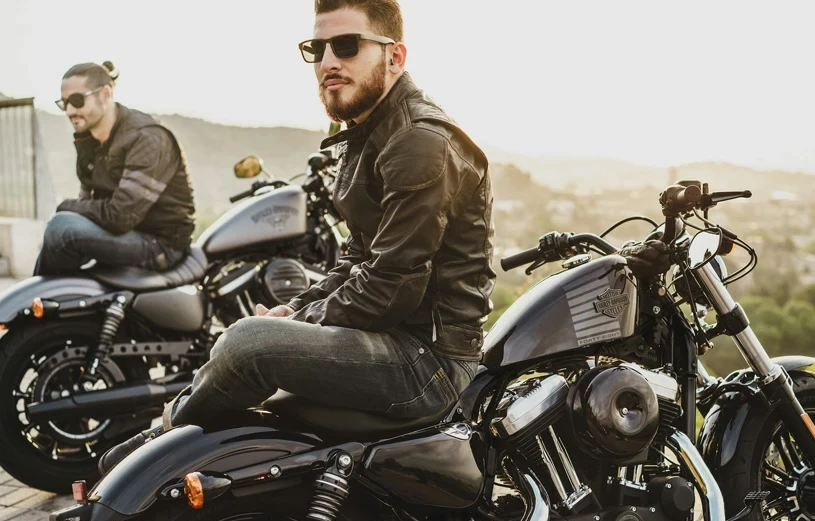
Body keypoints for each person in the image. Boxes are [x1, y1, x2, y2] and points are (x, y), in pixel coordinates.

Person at [99, 0, 496, 472]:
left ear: (395, 57)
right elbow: (357, 259)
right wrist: (299, 309)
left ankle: (158, 447)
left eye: (347, 46)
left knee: (248, 346)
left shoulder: (418, 141)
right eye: (317, 48)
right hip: (395, 343)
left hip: (428, 363)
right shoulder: (370, 131)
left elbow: (393, 284)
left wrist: (302, 320)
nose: (329, 62)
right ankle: (172, 445)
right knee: (251, 336)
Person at [34, 61, 195, 276]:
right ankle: (49, 304)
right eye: (64, 103)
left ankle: (39, 303)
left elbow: (120, 217)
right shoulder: (90, 140)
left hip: (161, 245)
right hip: (123, 235)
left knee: (62, 229)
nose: (70, 110)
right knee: (61, 232)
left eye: (77, 100)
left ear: (106, 95)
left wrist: (66, 206)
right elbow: (88, 202)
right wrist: (75, 210)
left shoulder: (146, 138)